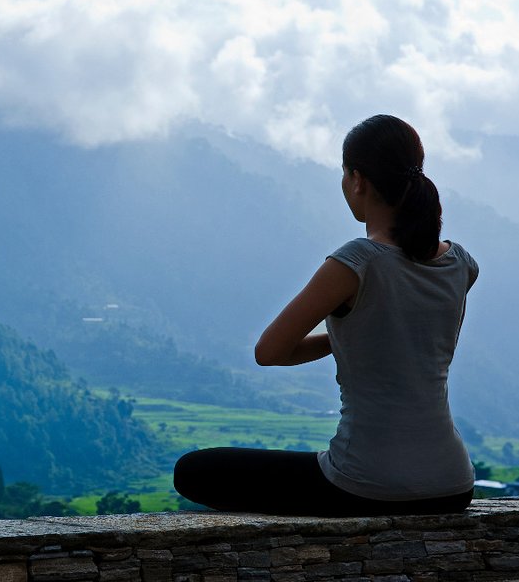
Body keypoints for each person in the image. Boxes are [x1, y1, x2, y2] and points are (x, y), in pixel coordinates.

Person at [172, 114, 478, 516]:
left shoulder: (358, 260)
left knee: (193, 470)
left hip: (367, 484)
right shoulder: (461, 264)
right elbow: (409, 334)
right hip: (452, 483)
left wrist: (344, 338)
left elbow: (271, 351)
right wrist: (360, 335)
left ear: (357, 179)